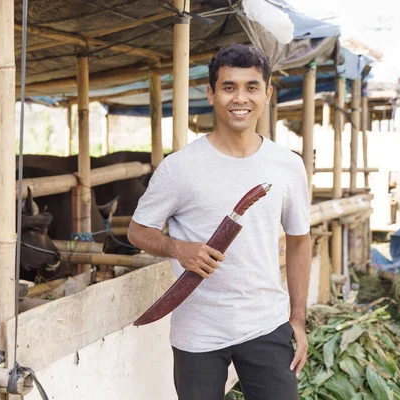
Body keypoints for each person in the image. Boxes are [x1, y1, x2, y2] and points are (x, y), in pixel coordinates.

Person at [127, 44, 311, 400]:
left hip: (266, 323)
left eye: (251, 87)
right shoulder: (180, 167)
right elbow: (137, 230)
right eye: (228, 87)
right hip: (198, 331)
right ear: (211, 93)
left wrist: (298, 319)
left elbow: (299, 238)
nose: (240, 98)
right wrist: (178, 248)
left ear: (267, 93)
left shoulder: (287, 164)